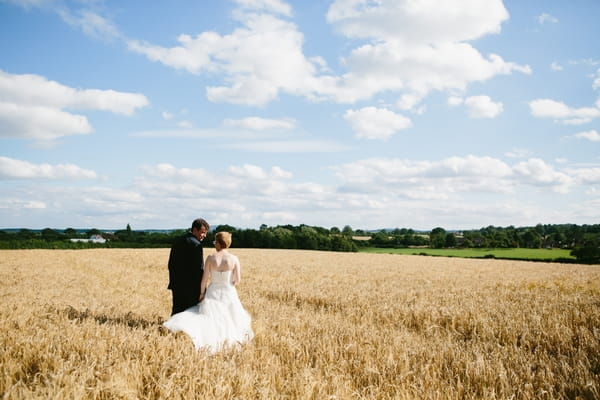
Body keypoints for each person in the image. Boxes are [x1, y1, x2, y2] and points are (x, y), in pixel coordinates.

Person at [163, 231, 254, 352]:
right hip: (228, 291)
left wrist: (201, 293)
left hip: (213, 291)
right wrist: (227, 283)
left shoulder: (211, 258)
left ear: (218, 243)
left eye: (215, 241)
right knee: (230, 316)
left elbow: (204, 279)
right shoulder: (234, 259)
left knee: (210, 317)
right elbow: (237, 280)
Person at [167, 218, 210, 315]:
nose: (205, 235)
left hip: (176, 283)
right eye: (202, 232)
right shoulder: (196, 244)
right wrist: (202, 288)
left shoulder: (178, 239)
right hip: (191, 287)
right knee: (191, 312)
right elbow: (199, 268)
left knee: (177, 311)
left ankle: (173, 329)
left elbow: (171, 264)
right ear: (195, 230)